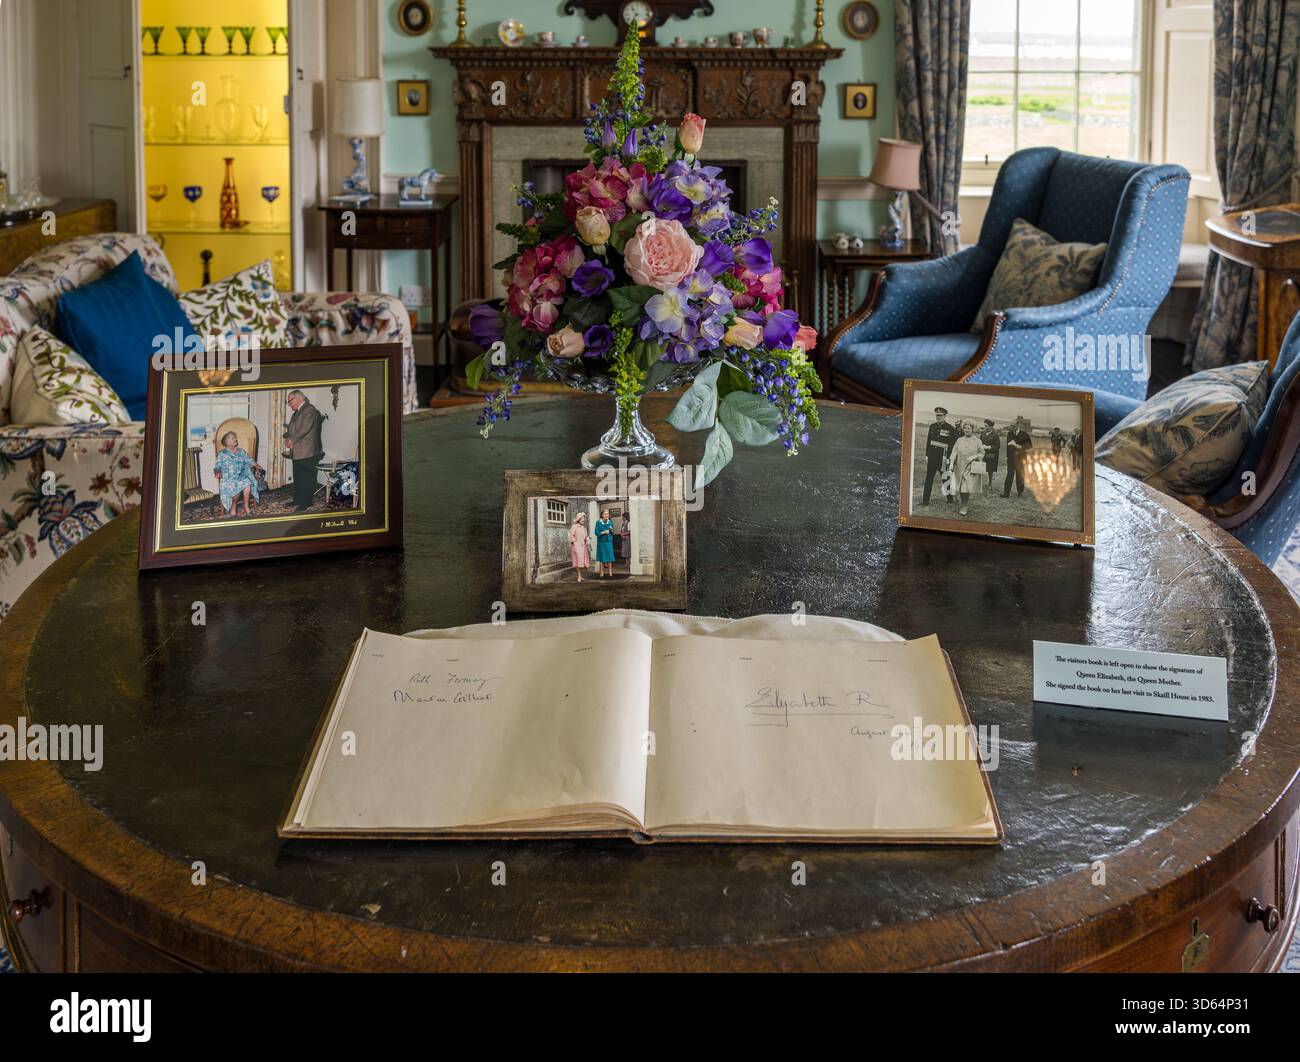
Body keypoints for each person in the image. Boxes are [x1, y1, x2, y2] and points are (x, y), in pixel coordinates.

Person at [283, 389, 325, 512]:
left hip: (308, 452)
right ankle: (298, 500)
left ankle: (306, 502)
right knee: (298, 477)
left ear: (297, 399)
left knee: (307, 478)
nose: (289, 404)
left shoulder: (309, 409)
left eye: (289, 401)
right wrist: (287, 438)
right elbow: (291, 430)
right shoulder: (296, 412)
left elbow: (304, 429)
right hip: (298, 451)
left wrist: (292, 440)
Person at [213, 431, 264, 519]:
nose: (235, 439)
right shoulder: (222, 454)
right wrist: (217, 472)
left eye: (235, 437)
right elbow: (217, 466)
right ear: (226, 442)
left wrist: (256, 465)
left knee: (247, 483)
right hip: (228, 477)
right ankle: (233, 508)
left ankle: (246, 506)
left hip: (242, 474)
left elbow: (249, 460)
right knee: (236, 486)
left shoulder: (241, 451)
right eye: (232, 438)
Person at [920, 406, 960, 505]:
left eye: (940, 415)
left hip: (943, 458)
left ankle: (950, 499)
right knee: (929, 479)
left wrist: (950, 459)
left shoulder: (950, 428)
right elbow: (928, 442)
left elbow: (953, 445)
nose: (938, 417)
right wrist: (927, 455)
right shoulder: (932, 426)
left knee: (945, 478)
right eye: (937, 415)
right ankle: (925, 501)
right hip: (932, 457)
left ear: (945, 416)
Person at [948, 421, 986, 517]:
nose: (966, 430)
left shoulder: (977, 441)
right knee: (961, 488)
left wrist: (974, 457)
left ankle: (964, 505)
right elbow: (954, 452)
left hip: (970, 467)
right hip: (960, 466)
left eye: (969, 428)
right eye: (965, 428)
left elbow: (982, 453)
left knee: (966, 487)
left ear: (972, 429)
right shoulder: (959, 440)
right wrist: (952, 462)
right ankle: (963, 502)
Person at [1004, 416, 1033, 498]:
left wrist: (1016, 445)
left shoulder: (1025, 435)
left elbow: (1029, 446)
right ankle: (1006, 494)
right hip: (1011, 459)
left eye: (1013, 426)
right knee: (1009, 475)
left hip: (1021, 459)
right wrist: (1007, 456)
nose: (1011, 428)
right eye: (1011, 426)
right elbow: (1008, 446)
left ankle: (1020, 492)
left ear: (1018, 425)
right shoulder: (1009, 434)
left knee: (1019, 476)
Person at [979, 418, 1000, 494]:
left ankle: (990, 484)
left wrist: (989, 447)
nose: (985, 428)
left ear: (991, 427)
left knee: (990, 470)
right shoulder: (983, 434)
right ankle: (979, 483)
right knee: (980, 468)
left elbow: (997, 446)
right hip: (983, 454)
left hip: (991, 455)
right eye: (985, 426)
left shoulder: (995, 435)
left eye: (987, 426)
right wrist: (981, 446)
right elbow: (979, 442)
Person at [568, 512, 591, 582]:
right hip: (576, 546)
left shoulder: (584, 528)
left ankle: (580, 575)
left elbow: (586, 536)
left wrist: (588, 540)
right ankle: (579, 576)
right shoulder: (574, 526)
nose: (583, 520)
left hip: (583, 546)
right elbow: (571, 535)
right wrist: (574, 543)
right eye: (582, 518)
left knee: (582, 561)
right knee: (577, 561)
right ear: (578, 519)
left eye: (584, 518)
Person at [594, 507, 616, 577]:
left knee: (609, 557)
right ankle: (601, 572)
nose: (607, 515)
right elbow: (596, 533)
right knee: (602, 558)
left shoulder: (610, 522)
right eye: (605, 514)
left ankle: (610, 572)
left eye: (608, 514)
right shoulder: (598, 522)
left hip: (608, 542)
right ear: (602, 515)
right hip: (601, 542)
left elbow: (613, 533)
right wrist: (603, 532)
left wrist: (611, 530)